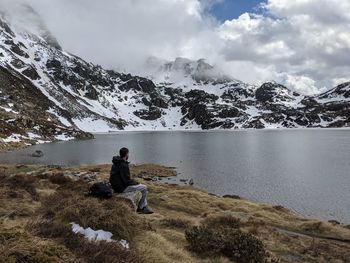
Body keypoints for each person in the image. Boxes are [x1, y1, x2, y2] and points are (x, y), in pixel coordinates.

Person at [110, 147, 154, 214]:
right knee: (144, 188)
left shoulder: (115, 163)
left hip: (115, 186)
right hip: (122, 187)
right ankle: (141, 208)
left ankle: (144, 206)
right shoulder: (123, 165)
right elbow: (126, 181)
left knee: (140, 186)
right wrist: (136, 183)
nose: (128, 155)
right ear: (126, 154)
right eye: (128, 153)